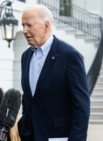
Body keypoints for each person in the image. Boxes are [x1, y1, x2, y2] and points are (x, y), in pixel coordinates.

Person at [18, 5, 90, 141]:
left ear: (46, 26)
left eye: (29, 25)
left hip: (59, 137)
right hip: (30, 136)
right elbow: (28, 98)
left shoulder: (69, 56)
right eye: (23, 25)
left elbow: (81, 106)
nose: (24, 30)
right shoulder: (25, 56)